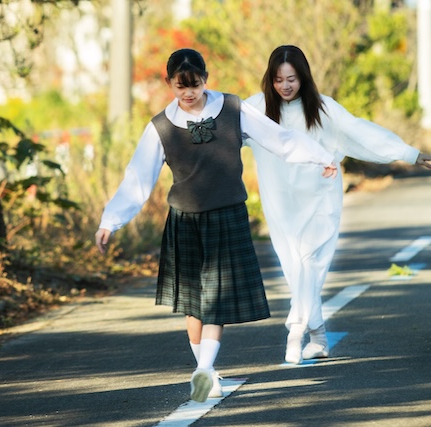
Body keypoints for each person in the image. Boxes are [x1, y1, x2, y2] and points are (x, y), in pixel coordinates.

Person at [95, 48, 338, 403]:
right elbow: (138, 179)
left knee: (216, 300)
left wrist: (321, 156)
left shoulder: (233, 109)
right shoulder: (160, 126)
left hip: (226, 215)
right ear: (169, 83)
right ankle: (205, 369)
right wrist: (109, 222)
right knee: (195, 304)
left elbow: (279, 140)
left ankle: (205, 370)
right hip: (184, 221)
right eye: (180, 87)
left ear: (206, 79)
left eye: (194, 85)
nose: (188, 93)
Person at [245, 45, 431, 365]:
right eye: (278, 80)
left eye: (291, 79)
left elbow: (362, 133)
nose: (285, 86)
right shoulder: (256, 109)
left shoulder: (323, 108)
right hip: (281, 204)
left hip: (320, 199)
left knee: (311, 265)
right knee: (295, 269)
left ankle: (295, 332)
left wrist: (410, 154)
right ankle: (318, 337)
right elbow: (219, 122)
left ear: (303, 77)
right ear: (269, 80)